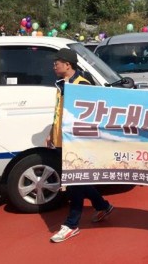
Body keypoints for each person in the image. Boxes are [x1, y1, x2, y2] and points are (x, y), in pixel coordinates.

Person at [47, 48, 114, 243]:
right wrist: (51, 132)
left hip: (77, 142)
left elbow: (91, 115)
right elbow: (59, 111)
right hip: (62, 140)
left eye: (57, 63)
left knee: (74, 183)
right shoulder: (62, 84)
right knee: (79, 181)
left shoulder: (82, 85)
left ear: (67, 64)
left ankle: (71, 224)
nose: (54, 66)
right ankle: (103, 206)